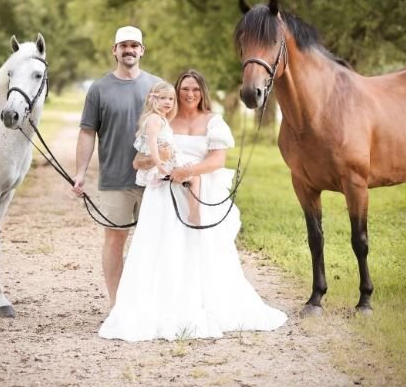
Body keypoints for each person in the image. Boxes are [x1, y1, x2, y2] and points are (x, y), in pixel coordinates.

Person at [99, 69, 287, 341]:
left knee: (200, 249)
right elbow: (139, 161)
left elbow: (217, 161)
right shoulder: (162, 121)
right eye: (184, 89)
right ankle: (158, 306)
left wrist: (187, 171)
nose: (190, 94)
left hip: (198, 191)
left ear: (203, 92)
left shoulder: (213, 122)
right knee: (163, 248)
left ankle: (204, 303)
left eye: (196, 89)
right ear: (175, 92)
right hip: (163, 196)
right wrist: (161, 163)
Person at [72, 26, 161, 307]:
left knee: (154, 242)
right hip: (114, 180)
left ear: (142, 50)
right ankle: (117, 305)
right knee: (114, 241)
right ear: (115, 50)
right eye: (124, 45)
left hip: (154, 182)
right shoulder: (99, 89)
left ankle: (149, 304)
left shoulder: (157, 87)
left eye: (134, 45)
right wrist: (80, 173)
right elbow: (87, 132)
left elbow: (175, 130)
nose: (129, 50)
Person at [134, 81, 200, 224]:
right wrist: (158, 162)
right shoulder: (155, 118)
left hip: (168, 157)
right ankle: (194, 213)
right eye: (163, 98)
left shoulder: (161, 118)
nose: (168, 102)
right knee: (194, 176)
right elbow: (151, 142)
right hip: (164, 160)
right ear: (153, 100)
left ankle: (189, 211)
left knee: (192, 174)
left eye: (171, 99)